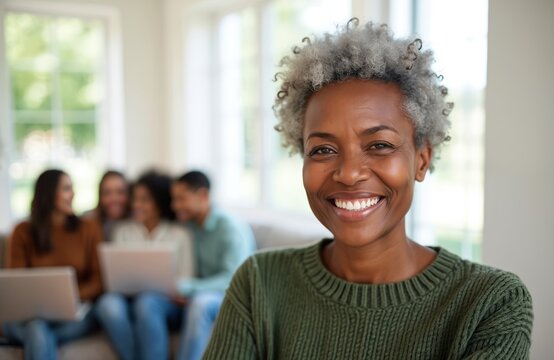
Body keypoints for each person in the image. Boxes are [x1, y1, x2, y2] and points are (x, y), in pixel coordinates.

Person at [203, 19, 533, 359]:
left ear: (421, 160)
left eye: (379, 145)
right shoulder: (259, 284)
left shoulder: (490, 303)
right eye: (323, 150)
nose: (348, 173)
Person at [3, 169, 103, 360]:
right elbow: (16, 284)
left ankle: (40, 341)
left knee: (39, 336)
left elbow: (99, 280)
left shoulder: (89, 228)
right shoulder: (22, 231)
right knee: (37, 328)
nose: (72, 194)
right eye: (66, 189)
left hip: (75, 314)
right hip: (30, 316)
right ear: (48, 193)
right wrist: (45, 304)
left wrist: (67, 299)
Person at [95, 170, 194, 360]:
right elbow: (115, 278)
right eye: (135, 199)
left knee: (147, 301)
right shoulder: (122, 230)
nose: (136, 205)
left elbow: (186, 278)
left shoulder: (180, 234)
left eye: (144, 200)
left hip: (164, 304)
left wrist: (172, 289)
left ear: (159, 202)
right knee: (107, 304)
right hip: (128, 299)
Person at [169, 170, 255, 360]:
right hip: (199, 291)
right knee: (151, 302)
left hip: (233, 295)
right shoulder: (189, 227)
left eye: (181, 199)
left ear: (203, 195)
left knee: (201, 303)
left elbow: (232, 279)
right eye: (173, 199)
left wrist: (188, 287)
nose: (175, 206)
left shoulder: (229, 228)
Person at [84, 170, 130, 242]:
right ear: (100, 196)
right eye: (107, 193)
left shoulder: (137, 223)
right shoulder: (87, 222)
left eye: (120, 192)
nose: (114, 199)